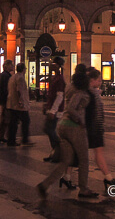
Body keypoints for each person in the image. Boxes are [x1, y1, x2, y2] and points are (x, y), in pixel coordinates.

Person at [37, 70, 97, 199]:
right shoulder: (80, 93)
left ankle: (45, 185)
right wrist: (79, 120)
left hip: (63, 127)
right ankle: (84, 188)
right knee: (84, 159)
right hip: (74, 128)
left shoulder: (72, 89)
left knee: (66, 161)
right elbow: (70, 108)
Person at [86, 67, 115, 191]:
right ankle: (108, 178)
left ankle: (67, 176)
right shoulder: (91, 94)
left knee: (81, 154)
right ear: (93, 80)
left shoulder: (92, 93)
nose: (100, 82)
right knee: (96, 153)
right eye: (99, 80)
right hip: (94, 128)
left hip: (94, 127)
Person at [43, 57, 66, 162]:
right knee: (49, 129)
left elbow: (59, 96)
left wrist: (53, 111)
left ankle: (59, 151)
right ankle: (55, 152)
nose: (51, 65)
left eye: (53, 63)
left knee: (49, 129)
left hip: (56, 110)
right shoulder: (55, 77)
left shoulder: (59, 79)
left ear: (57, 66)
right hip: (52, 108)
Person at [7, 63, 33, 146]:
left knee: (13, 122)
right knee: (26, 121)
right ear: (23, 69)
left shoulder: (12, 77)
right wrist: (21, 102)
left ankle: (11, 140)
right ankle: (25, 139)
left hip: (11, 103)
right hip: (19, 105)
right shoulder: (20, 78)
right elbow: (20, 91)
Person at [0, 60, 14, 144]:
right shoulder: (6, 76)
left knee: (3, 118)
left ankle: (0, 136)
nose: (13, 66)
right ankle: (7, 137)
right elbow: (7, 89)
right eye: (11, 65)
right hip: (6, 100)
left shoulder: (1, 75)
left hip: (2, 100)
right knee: (8, 119)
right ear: (6, 66)